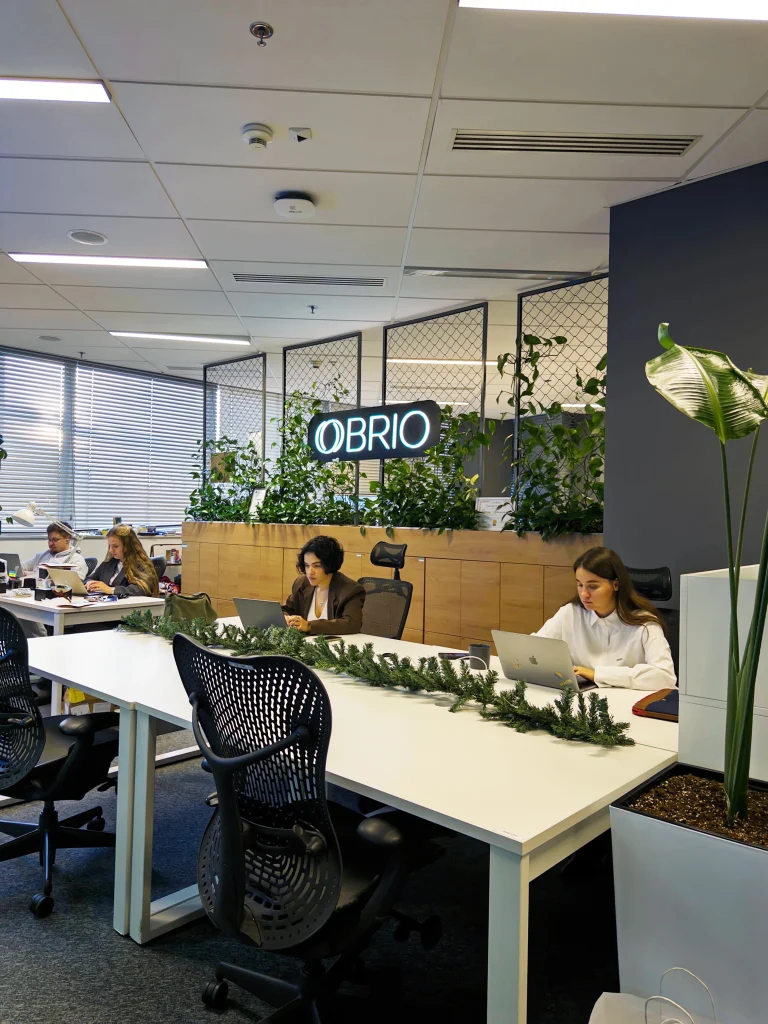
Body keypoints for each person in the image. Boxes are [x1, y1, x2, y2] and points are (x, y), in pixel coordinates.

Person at [535, 546, 676, 690]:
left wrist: (597, 675)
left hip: (629, 701)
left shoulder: (645, 624)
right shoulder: (570, 613)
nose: (584, 594)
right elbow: (534, 649)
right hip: (583, 699)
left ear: (615, 585)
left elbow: (665, 676)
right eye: (580, 585)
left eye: (593, 586)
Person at [282, 535, 364, 636]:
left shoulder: (351, 590)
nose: (310, 572)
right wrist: (285, 617)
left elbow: (351, 624)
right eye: (307, 565)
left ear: (329, 565)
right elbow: (286, 609)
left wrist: (309, 626)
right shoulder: (302, 583)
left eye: (316, 566)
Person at [86, 524, 159, 597]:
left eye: (115, 546)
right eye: (110, 546)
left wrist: (112, 590)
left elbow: (142, 589)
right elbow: (91, 578)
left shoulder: (141, 564)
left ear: (128, 546)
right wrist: (90, 583)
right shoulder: (110, 562)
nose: (111, 550)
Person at [21, 521, 88, 579]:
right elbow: (19, 567)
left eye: (55, 540)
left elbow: (75, 585)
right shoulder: (41, 556)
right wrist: (20, 573)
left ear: (67, 539)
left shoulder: (76, 560)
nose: (51, 543)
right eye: (49, 540)